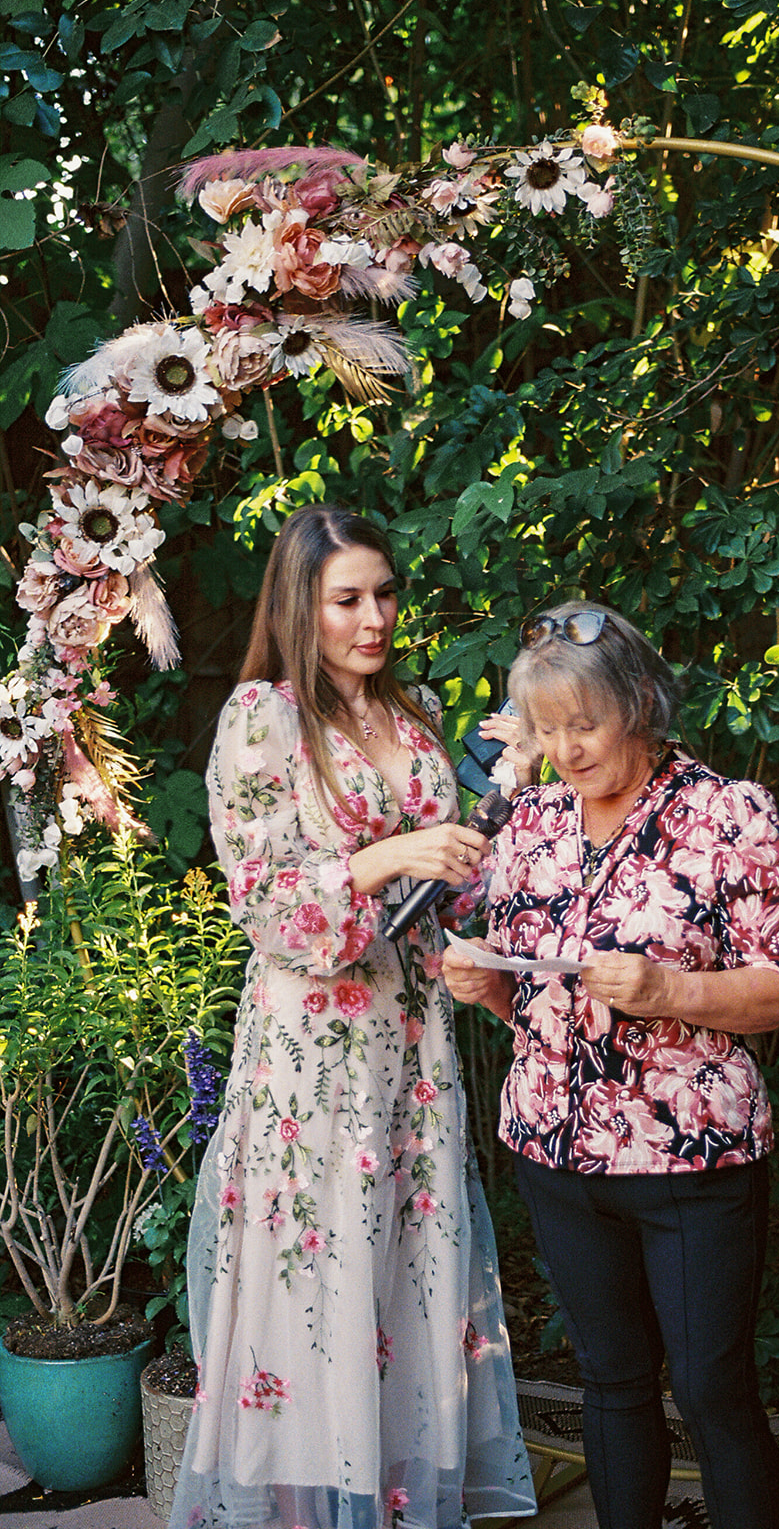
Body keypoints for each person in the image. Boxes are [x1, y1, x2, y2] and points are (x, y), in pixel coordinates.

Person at [168, 505, 536, 1529]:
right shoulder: (263, 718)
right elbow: (265, 904)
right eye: (346, 600)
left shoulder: (411, 709)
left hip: (410, 1036)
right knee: (317, 1256)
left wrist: (505, 794)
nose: (373, 618)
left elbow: (451, 880)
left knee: (407, 1254)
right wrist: (386, 858)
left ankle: (396, 1493)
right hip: (313, 1045)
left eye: (384, 594)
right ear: (300, 606)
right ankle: (305, 1507)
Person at [443, 602, 779, 1529]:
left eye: (585, 724)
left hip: (691, 1160)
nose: (565, 750)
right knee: (607, 1381)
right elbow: (534, 996)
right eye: (547, 730)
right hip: (553, 1150)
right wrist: (485, 984)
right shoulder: (532, 821)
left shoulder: (725, 813)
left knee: (710, 1389)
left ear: (642, 703)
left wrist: (670, 989)